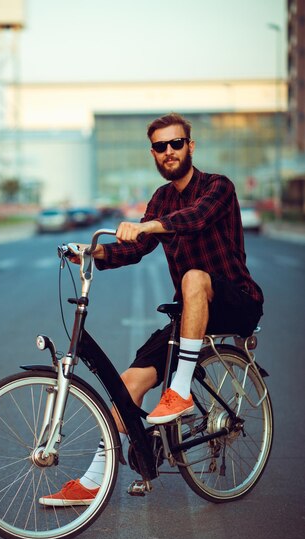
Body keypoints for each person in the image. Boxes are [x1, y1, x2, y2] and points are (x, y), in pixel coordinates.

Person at [39, 112, 264, 507]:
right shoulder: (160, 198)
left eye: (176, 143)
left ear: (190, 147)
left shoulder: (218, 187)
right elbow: (135, 248)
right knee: (129, 382)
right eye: (160, 147)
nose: (169, 152)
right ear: (153, 153)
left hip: (236, 302)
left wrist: (148, 225)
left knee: (194, 276)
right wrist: (94, 252)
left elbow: (192, 220)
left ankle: (180, 393)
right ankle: (93, 481)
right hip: (188, 315)